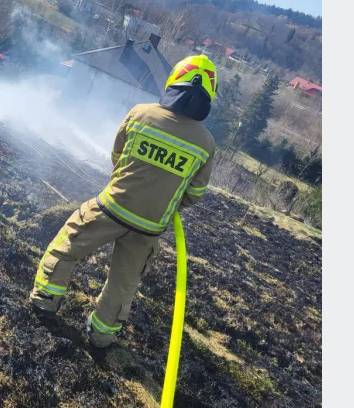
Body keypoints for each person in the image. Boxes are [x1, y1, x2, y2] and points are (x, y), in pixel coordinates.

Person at [29, 54, 218, 348]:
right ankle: (102, 337)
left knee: (68, 245)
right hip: (150, 228)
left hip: (112, 208)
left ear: (174, 82)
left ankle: (44, 302)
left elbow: (117, 157)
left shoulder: (141, 114)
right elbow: (194, 194)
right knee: (124, 284)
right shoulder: (206, 143)